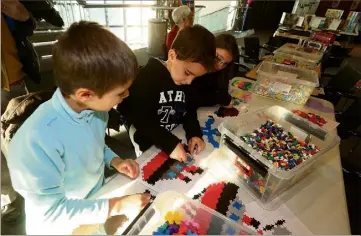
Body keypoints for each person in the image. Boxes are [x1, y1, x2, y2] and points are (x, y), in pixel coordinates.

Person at [6, 21, 150, 235]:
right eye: (121, 93)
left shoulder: (96, 108)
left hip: (96, 204)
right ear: (85, 94)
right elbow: (51, 213)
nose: (126, 96)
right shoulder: (35, 141)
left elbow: (94, 144)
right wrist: (116, 206)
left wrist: (114, 160)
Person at [118, 24, 216, 162]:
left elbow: (189, 109)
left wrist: (194, 133)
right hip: (147, 141)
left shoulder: (185, 81)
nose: (189, 81)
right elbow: (141, 119)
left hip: (173, 136)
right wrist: (169, 143)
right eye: (187, 73)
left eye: (195, 77)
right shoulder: (146, 78)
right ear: (172, 55)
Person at [189, 34, 240, 107]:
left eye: (225, 63)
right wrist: (220, 98)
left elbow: (220, 89)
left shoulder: (223, 69)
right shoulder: (196, 64)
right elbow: (191, 97)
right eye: (218, 58)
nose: (220, 66)